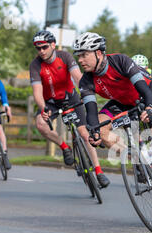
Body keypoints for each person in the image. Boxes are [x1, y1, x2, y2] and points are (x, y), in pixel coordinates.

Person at [72, 32, 152, 209]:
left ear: (98, 53)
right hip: (121, 102)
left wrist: (149, 108)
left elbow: (144, 88)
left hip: (146, 94)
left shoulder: (120, 61)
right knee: (101, 129)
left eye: (84, 55)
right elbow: (91, 112)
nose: (80, 60)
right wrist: (94, 132)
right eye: (78, 56)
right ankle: (137, 156)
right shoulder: (86, 81)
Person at [29, 30, 110, 188]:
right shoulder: (35, 65)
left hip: (70, 97)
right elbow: (37, 92)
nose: (41, 51)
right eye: (38, 48)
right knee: (40, 124)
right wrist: (43, 108)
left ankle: (99, 172)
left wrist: (85, 93)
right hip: (50, 102)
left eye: (44, 47)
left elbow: (78, 77)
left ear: (53, 45)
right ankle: (64, 147)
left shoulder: (65, 57)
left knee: (85, 135)